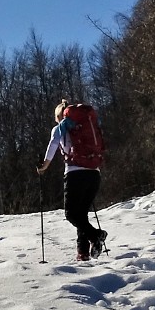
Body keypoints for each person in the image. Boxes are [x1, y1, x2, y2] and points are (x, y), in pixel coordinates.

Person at [37, 99, 106, 260]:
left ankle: (96, 235)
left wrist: (44, 166)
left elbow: (54, 143)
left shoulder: (59, 127)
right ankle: (83, 253)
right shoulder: (87, 125)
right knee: (81, 215)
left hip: (75, 174)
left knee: (71, 215)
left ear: (58, 116)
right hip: (94, 173)